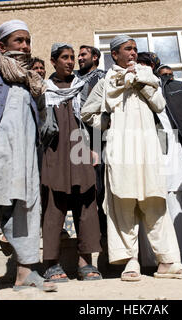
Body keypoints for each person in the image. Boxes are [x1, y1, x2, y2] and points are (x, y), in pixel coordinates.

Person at [81, 35, 182, 281]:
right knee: (124, 202)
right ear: (115, 54)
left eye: (135, 49)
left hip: (148, 147)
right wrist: (106, 122)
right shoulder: (105, 81)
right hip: (120, 149)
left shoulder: (149, 77)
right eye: (128, 49)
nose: (133, 53)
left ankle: (167, 261)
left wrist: (141, 80)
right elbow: (86, 112)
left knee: (155, 201)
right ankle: (130, 261)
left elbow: (158, 104)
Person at [0, 19, 56, 293]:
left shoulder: (33, 79)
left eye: (28, 41)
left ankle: (26, 272)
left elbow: (42, 116)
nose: (25, 46)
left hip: (27, 152)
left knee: (28, 207)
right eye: (19, 40)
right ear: (2, 45)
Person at [40, 43, 102, 283]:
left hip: (81, 152)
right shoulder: (43, 89)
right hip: (54, 154)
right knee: (54, 207)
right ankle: (51, 264)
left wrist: (95, 149)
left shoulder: (82, 87)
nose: (70, 62)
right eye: (64, 58)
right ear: (53, 61)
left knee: (86, 205)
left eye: (72, 58)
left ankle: (85, 262)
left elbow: (94, 119)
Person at [136, 52, 182, 272]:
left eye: (147, 63)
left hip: (171, 141)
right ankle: (154, 261)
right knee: (152, 200)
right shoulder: (132, 85)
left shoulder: (171, 87)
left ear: (154, 66)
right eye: (139, 63)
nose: (142, 66)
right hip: (145, 145)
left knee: (177, 199)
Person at [75, 45, 107, 237]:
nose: (79, 58)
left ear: (95, 57)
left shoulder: (104, 77)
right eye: (78, 55)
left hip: (97, 135)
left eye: (83, 55)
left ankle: (103, 230)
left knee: (99, 184)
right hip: (78, 136)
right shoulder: (75, 78)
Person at [156, 64, 182, 151]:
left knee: (179, 157)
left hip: (181, 130)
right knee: (165, 157)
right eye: (164, 75)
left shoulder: (180, 86)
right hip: (163, 131)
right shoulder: (157, 89)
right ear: (158, 76)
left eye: (170, 74)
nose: (168, 77)